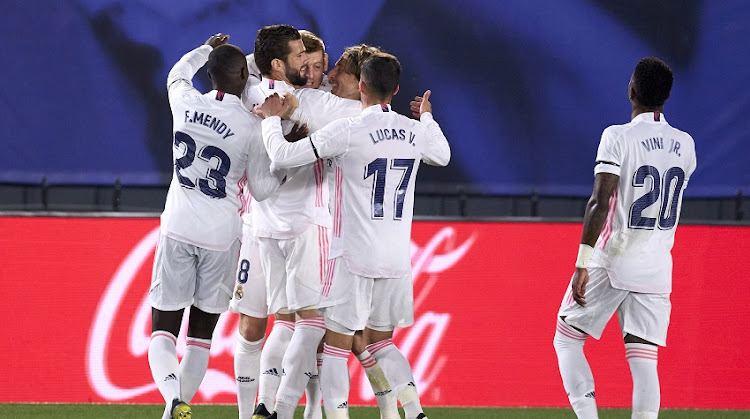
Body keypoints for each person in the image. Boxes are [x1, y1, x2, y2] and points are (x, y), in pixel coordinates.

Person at [259, 52, 450, 419]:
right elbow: (442, 155)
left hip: (353, 257)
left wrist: (271, 121)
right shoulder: (413, 132)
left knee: (335, 346)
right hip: (396, 259)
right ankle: (414, 413)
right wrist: (425, 115)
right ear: (394, 89)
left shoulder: (348, 129)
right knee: (382, 344)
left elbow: (282, 156)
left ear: (361, 86)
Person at [553, 57, 696, 419]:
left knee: (567, 337)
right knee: (645, 360)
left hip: (614, 257)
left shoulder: (617, 136)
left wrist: (582, 263)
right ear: (667, 96)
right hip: (657, 265)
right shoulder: (686, 144)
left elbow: (600, 202)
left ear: (631, 90)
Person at [148, 33, 282, 419]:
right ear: (245, 76)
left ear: (209, 74)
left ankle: (173, 401)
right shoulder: (252, 127)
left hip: (177, 225)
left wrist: (204, 48)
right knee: (200, 338)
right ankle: (173, 409)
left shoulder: (185, 102)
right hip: (222, 237)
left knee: (163, 330)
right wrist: (290, 156)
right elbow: (263, 189)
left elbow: (177, 73)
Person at [231, 24, 360, 419]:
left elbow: (248, 73)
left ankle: (279, 408)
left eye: (320, 64)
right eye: (304, 59)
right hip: (279, 224)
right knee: (285, 324)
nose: (314, 70)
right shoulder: (313, 103)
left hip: (283, 223)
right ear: (283, 62)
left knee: (292, 322)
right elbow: (367, 109)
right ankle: (277, 408)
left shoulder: (266, 92)